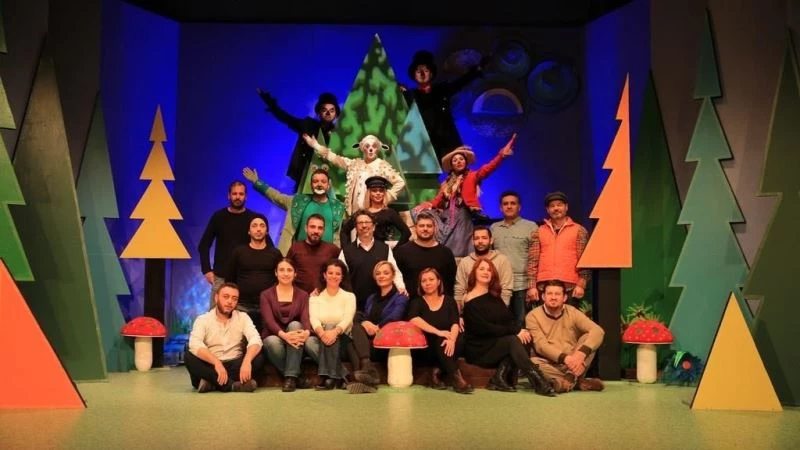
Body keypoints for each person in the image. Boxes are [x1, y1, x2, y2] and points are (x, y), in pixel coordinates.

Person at [462, 258, 555, 396]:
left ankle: (499, 377)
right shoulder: (469, 299)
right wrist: (515, 331)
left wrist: (520, 331)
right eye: (481, 269)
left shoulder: (494, 296)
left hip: (496, 344)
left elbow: (509, 320)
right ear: (474, 273)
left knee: (525, 336)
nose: (486, 272)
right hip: (480, 349)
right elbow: (484, 329)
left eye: (489, 270)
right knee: (513, 339)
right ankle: (538, 380)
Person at [412, 134, 516, 257]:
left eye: (461, 159)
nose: (458, 162)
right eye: (455, 160)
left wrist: (500, 156)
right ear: (452, 165)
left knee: (460, 244)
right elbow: (438, 200)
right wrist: (428, 204)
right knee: (417, 212)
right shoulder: (447, 183)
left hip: (462, 215)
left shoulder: (472, 176)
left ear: (465, 162)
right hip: (447, 216)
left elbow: (488, 168)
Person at [402, 50, 487, 161]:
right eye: (418, 71)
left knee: (455, 163)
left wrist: (477, 70)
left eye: (426, 70)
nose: (422, 74)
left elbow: (460, 83)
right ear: (414, 76)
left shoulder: (441, 89)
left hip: (447, 138)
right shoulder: (411, 95)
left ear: (431, 74)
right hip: (425, 142)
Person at [197, 181, 271, 307]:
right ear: (229, 195)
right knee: (215, 316)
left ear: (246, 196)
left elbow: (269, 248)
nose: (237, 197)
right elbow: (204, 245)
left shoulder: (254, 220)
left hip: (246, 278)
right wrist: (206, 270)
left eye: (241, 194)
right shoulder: (218, 217)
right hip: (221, 277)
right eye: (234, 194)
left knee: (243, 317)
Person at [244, 166, 345, 255]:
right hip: (298, 257)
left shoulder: (339, 207)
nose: (319, 184)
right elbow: (276, 196)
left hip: (328, 259)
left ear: (328, 185)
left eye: (323, 181)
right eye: (315, 181)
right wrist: (257, 182)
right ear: (311, 185)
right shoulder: (297, 201)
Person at [526, 280, 605, 393]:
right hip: (550, 364)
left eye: (557, 294)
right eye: (549, 294)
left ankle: (565, 382)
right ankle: (577, 382)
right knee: (532, 363)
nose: (553, 297)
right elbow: (541, 346)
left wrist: (580, 354)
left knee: (589, 337)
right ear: (543, 297)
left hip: (574, 362)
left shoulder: (572, 312)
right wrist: (566, 359)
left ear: (564, 298)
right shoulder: (533, 316)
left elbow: (598, 331)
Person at [185, 283, 265, 393]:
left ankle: (211, 383)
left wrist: (247, 361)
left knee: (258, 358)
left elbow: (255, 339)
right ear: (216, 297)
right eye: (226, 297)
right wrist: (216, 362)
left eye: (234, 298)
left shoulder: (243, 317)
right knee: (189, 356)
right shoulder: (203, 319)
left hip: (234, 364)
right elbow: (195, 344)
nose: (230, 302)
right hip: (211, 365)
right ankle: (232, 386)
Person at [302, 133, 406, 216]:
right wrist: (316, 145)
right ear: (363, 148)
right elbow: (336, 159)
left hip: (373, 214)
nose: (370, 149)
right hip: (354, 213)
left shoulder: (382, 165)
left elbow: (400, 182)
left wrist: (385, 198)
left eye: (374, 146)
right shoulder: (355, 164)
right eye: (367, 146)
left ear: (377, 149)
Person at [256, 89, 340, 192]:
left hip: (327, 182)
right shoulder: (308, 125)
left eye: (332, 110)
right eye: (324, 110)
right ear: (319, 112)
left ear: (336, 114)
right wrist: (272, 104)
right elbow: (287, 119)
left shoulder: (339, 135)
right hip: (304, 178)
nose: (328, 113)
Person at [407, 267, 473, 394]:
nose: (427, 283)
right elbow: (413, 319)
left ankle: (436, 371)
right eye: (424, 281)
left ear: (438, 282)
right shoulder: (417, 302)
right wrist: (438, 332)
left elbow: (455, 323)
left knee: (460, 337)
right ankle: (457, 379)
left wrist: (452, 340)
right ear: (420, 284)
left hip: (446, 344)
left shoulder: (449, 301)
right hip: (427, 347)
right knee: (441, 339)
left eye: (431, 279)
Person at [527, 192, 590, 307]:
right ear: (548, 210)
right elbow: (532, 261)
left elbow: (584, 261)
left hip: (570, 286)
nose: (556, 208)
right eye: (552, 206)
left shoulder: (579, 230)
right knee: (545, 318)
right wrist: (531, 286)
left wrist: (581, 284)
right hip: (544, 286)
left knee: (570, 318)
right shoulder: (539, 231)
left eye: (559, 205)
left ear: (566, 207)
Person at [259, 259, 313, 392]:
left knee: (295, 325)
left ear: (295, 274)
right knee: (271, 342)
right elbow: (269, 321)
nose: (285, 273)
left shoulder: (303, 295)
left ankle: (290, 378)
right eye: (281, 270)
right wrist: (284, 336)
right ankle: (295, 376)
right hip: (274, 335)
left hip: (295, 338)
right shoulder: (266, 294)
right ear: (276, 273)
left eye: (289, 270)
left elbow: (305, 318)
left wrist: (307, 331)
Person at [338, 209, 406, 311]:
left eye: (367, 222)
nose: (364, 226)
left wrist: (401, 288)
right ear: (356, 227)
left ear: (374, 227)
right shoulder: (346, 251)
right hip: (355, 306)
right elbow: (339, 277)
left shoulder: (384, 249)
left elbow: (395, 272)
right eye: (360, 223)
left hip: (380, 305)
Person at [305, 259, 356, 390]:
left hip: (343, 339)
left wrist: (334, 331)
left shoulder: (349, 296)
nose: (334, 276)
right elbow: (314, 319)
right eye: (330, 273)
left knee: (330, 326)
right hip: (323, 337)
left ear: (342, 276)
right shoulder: (315, 297)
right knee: (309, 342)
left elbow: (348, 318)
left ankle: (326, 377)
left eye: (338, 273)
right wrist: (322, 334)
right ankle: (343, 375)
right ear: (324, 275)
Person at [491, 190, 539, 327]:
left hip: (522, 285)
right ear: (501, 207)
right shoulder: (494, 228)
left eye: (513, 203)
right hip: (499, 286)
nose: (509, 206)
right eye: (505, 204)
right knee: (500, 323)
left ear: (519, 207)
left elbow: (536, 258)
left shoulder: (531, 227)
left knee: (522, 325)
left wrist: (532, 286)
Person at [227, 217, 283, 331]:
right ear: (249, 231)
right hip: (242, 306)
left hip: (268, 307)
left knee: (267, 340)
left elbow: (281, 280)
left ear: (267, 231)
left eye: (262, 226)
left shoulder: (275, 254)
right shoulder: (239, 252)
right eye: (254, 226)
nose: (258, 229)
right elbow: (230, 280)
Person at [394, 211, 457, 297]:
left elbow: (451, 282)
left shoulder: (446, 253)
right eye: (421, 226)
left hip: (439, 303)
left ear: (435, 228)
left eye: (429, 226)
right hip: (410, 302)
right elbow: (396, 278)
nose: (425, 229)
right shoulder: (402, 252)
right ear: (415, 228)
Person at [339, 176, 411, 248]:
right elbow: (344, 231)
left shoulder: (390, 213)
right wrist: (347, 250)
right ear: (369, 193)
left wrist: (395, 251)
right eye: (374, 190)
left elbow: (406, 232)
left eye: (381, 190)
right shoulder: (361, 213)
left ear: (384, 193)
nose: (378, 193)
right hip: (360, 251)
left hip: (380, 251)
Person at [454, 226, 513, 310]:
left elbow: (506, 289)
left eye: (484, 238)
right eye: (477, 238)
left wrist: (502, 309)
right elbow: (459, 288)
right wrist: (459, 312)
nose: (480, 241)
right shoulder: (465, 262)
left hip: (496, 308)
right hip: (470, 308)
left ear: (491, 240)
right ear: (472, 241)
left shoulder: (502, 260)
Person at [286, 214, 341, 294]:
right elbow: (286, 273)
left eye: (320, 228)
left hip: (323, 297)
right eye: (312, 227)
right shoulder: (295, 248)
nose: (316, 231)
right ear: (306, 228)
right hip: (298, 297)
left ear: (324, 230)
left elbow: (342, 273)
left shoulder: (332, 250)